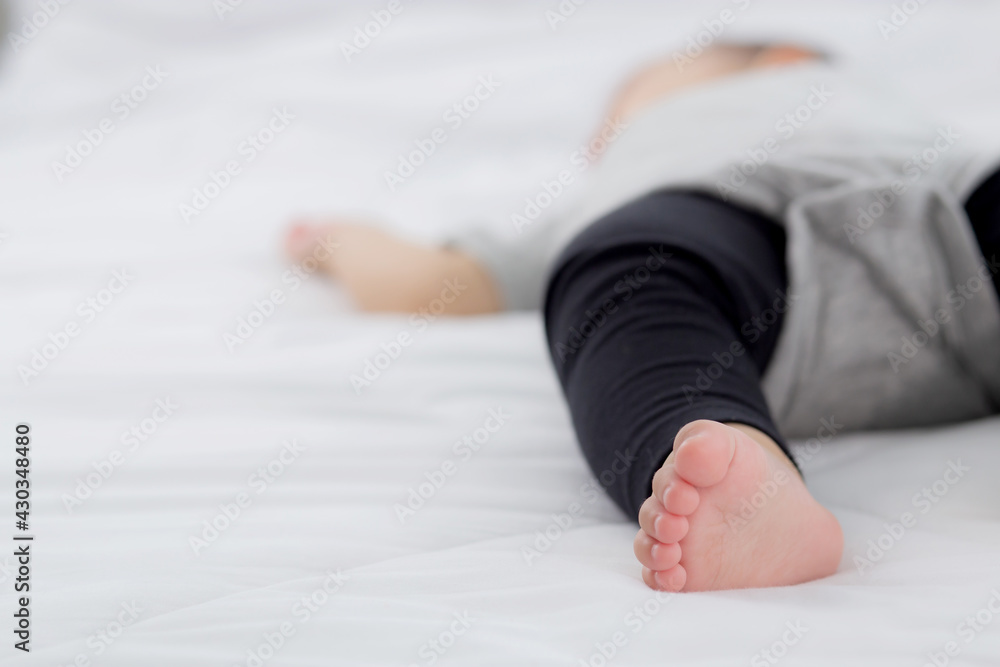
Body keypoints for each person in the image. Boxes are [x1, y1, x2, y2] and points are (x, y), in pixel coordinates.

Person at [284, 43, 1000, 592]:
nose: (604, 139)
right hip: (732, 266)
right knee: (624, 273)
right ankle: (739, 469)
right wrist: (342, 240)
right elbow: (442, 280)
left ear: (783, 59)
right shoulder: (616, 188)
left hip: (957, 205)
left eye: (626, 108)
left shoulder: (824, 86)